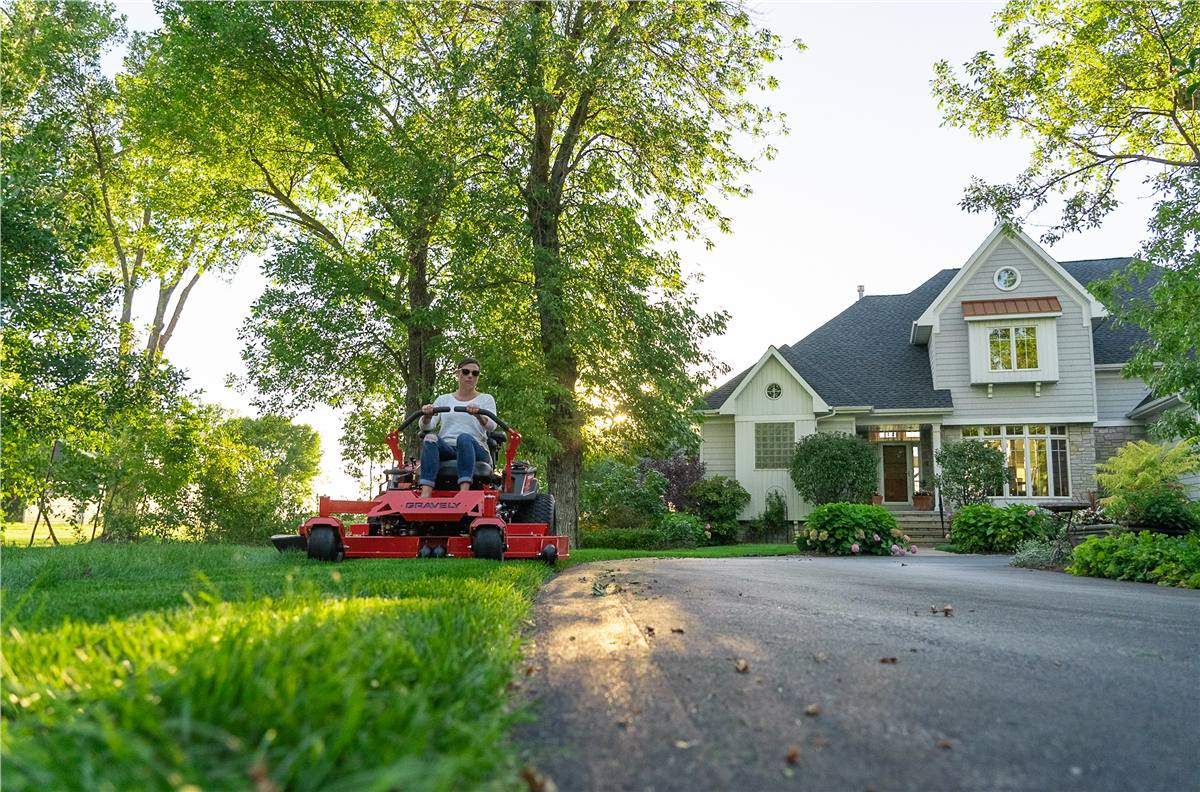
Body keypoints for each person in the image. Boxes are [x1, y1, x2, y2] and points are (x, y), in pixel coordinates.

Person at [416, 357, 497, 497]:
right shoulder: (443, 399)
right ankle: (425, 493)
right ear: (458, 374)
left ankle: (464, 493)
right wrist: (427, 416)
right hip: (448, 449)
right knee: (430, 437)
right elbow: (426, 427)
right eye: (466, 372)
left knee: (464, 438)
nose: (470, 376)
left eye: (475, 373)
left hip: (476, 449)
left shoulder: (486, 399)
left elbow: (492, 426)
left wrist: (478, 415)